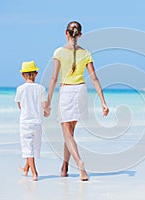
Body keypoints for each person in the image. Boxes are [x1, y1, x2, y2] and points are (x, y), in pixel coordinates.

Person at [46, 21, 109, 181]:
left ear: (66, 33)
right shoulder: (86, 53)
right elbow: (94, 78)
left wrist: (48, 101)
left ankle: (79, 163)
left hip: (67, 91)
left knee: (66, 132)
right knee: (70, 133)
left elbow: (53, 78)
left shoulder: (59, 52)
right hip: (81, 91)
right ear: (80, 35)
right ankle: (65, 166)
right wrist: (103, 101)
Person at [15, 61, 49, 181]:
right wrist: (47, 111)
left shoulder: (20, 89)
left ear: (23, 75)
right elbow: (44, 105)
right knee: (33, 147)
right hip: (37, 122)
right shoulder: (41, 89)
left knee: (27, 147)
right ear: (36, 73)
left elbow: (20, 106)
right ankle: (26, 169)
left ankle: (34, 173)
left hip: (25, 122)